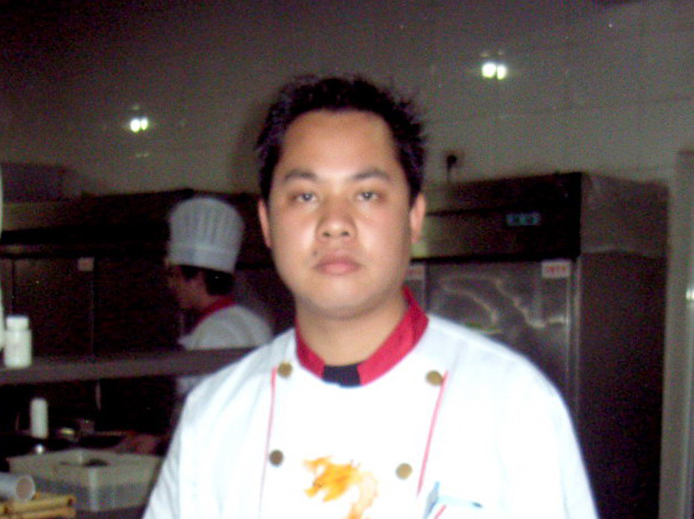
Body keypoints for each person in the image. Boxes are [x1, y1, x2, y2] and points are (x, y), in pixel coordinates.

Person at [143, 75, 598, 518]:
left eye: (366, 194)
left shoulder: (513, 405)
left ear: (414, 217)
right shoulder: (214, 418)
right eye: (305, 196)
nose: (334, 223)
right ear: (266, 223)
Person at [166, 196, 273, 394]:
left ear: (198, 279)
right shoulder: (255, 322)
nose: (172, 285)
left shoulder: (211, 333)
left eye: (176, 276)